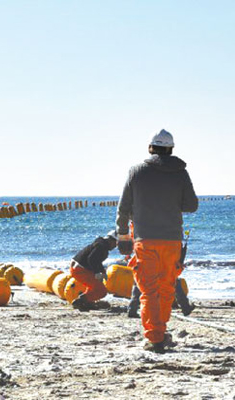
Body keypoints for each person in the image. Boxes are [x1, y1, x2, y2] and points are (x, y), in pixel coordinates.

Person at [116, 128, 198, 353]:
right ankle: (159, 332)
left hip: (145, 239)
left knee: (149, 290)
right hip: (172, 241)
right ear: (171, 150)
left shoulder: (136, 172)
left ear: (150, 148)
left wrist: (122, 235)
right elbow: (191, 205)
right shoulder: (181, 173)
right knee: (165, 288)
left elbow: (123, 208)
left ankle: (155, 336)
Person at [70, 230, 117, 312]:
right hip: (79, 270)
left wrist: (102, 271)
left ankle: (87, 302)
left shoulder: (101, 244)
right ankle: (80, 301)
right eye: (116, 244)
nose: (115, 247)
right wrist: (97, 273)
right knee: (101, 291)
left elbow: (96, 261)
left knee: (93, 287)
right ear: (112, 240)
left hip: (78, 268)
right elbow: (91, 259)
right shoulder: (101, 246)